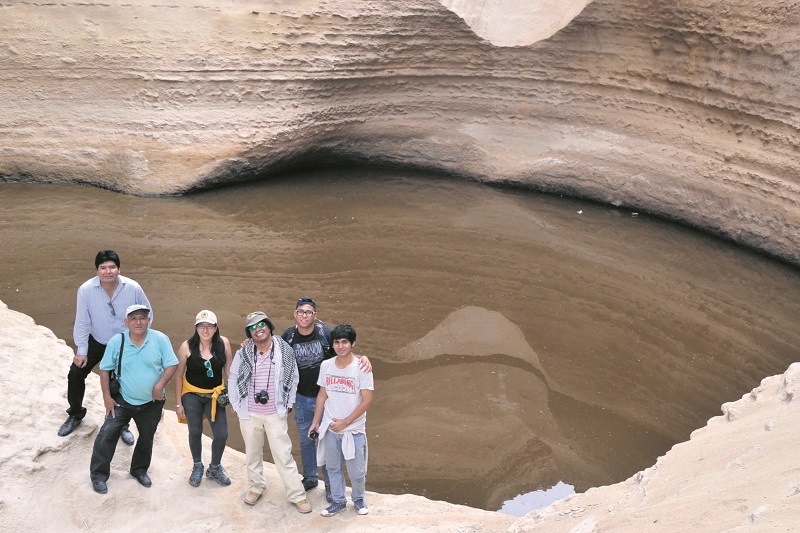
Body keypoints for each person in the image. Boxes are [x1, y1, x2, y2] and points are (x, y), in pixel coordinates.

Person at [281, 296, 371, 502]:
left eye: (308, 312)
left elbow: (344, 349)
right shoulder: (289, 335)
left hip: (328, 399)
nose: (304, 315)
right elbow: (275, 353)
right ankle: (311, 477)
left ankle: (331, 485)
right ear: (295, 314)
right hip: (301, 397)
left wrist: (363, 358)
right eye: (301, 312)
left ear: (315, 315)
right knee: (306, 440)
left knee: (329, 442)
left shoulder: (326, 334)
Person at [59, 249, 151, 447]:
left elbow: (147, 313)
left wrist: (138, 338)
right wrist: (81, 349)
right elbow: (82, 320)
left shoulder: (132, 287)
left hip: (124, 341)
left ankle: (122, 424)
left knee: (121, 383)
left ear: (119, 269)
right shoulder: (86, 290)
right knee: (76, 373)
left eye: (112, 267)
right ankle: (75, 414)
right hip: (98, 340)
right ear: (97, 270)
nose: (108, 271)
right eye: (103, 268)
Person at [228, 311, 312, 514]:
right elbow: (232, 377)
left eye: (261, 325)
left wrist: (289, 403)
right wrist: (236, 403)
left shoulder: (285, 351)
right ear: (249, 334)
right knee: (252, 453)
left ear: (269, 326)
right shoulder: (244, 353)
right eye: (253, 328)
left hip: (275, 412)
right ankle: (256, 487)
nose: (258, 330)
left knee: (283, 455)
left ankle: (297, 495)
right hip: (249, 413)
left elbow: (293, 379)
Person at [89, 304, 178, 494]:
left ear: (149, 320)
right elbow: (104, 369)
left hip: (152, 403)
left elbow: (171, 365)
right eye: (134, 318)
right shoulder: (117, 341)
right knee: (107, 433)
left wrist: (159, 385)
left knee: (146, 437)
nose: (138, 322)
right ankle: (98, 476)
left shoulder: (160, 339)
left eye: (142, 318)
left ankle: (139, 470)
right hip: (122, 399)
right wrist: (107, 397)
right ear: (126, 322)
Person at [309, 324, 375, 517]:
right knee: (332, 467)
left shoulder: (362, 367)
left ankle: (358, 499)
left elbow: (367, 400)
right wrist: (316, 422)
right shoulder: (326, 366)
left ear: (353, 344)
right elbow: (322, 395)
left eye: (345, 341)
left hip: (352, 428)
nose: (340, 346)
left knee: (356, 470)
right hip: (330, 426)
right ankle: (338, 501)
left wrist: (345, 422)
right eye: (336, 342)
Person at [174, 310, 233, 487]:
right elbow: (178, 376)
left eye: (209, 326)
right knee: (195, 431)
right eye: (201, 326)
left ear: (216, 328)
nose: (205, 330)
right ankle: (197, 465)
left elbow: (229, 371)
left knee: (222, 434)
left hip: (214, 394)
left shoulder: (223, 343)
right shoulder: (187, 347)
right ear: (196, 328)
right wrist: (178, 403)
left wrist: (233, 396)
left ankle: (214, 467)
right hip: (192, 394)